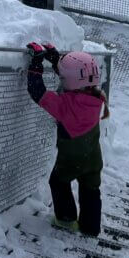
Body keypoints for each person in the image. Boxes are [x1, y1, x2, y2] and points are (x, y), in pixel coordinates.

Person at [26, 42, 110, 236]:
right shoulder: (96, 97)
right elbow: (75, 78)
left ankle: (66, 220)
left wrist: (36, 62)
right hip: (93, 157)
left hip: (71, 160)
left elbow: (37, 92)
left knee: (58, 182)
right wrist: (55, 58)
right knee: (91, 189)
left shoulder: (65, 105)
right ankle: (90, 228)